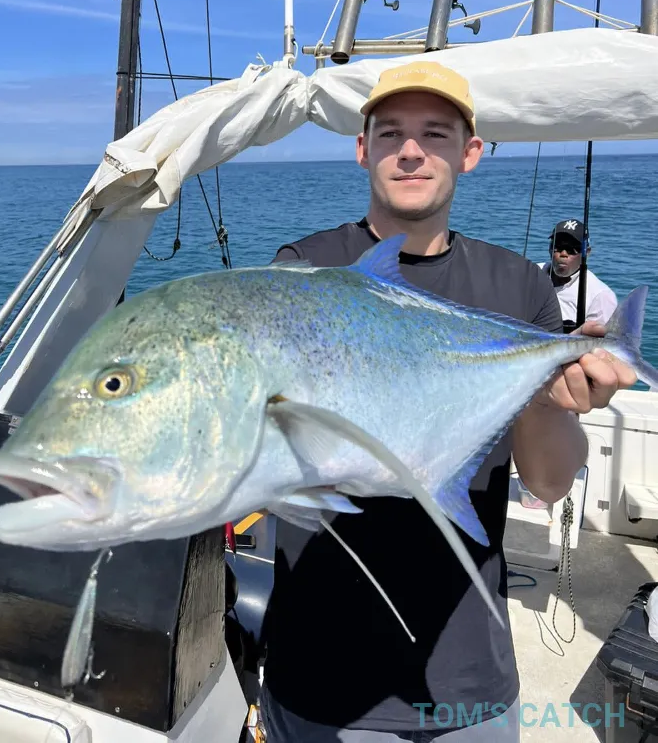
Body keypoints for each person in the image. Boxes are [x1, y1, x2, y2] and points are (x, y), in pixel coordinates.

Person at [258, 61, 635, 743]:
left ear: (470, 152)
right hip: (319, 673)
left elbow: (549, 484)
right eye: (391, 133)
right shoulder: (304, 271)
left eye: (435, 133)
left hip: (468, 683)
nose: (411, 150)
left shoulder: (518, 286)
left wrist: (548, 400)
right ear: (362, 148)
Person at [538, 219, 618, 333]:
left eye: (572, 249)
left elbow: (604, 339)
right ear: (550, 249)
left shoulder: (601, 296)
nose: (563, 254)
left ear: (587, 252)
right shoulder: (531, 272)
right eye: (558, 246)